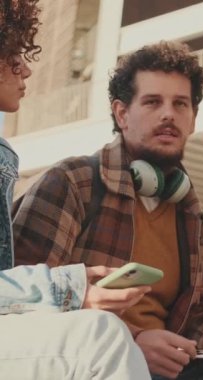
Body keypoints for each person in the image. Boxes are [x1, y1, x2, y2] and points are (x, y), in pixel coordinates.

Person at [12, 39, 203, 380]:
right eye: (152, 102)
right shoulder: (73, 182)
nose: (168, 114)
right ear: (122, 113)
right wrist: (133, 342)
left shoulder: (193, 217)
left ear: (193, 120)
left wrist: (188, 351)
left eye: (180, 104)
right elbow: (20, 301)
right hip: (83, 363)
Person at [0, 1, 153, 379]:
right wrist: (70, 291)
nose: (27, 69)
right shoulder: (72, 179)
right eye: (13, 55)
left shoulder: (192, 217)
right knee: (99, 338)